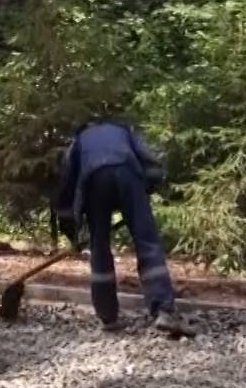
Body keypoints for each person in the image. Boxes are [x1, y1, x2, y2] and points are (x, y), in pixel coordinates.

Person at [52, 117, 195, 338]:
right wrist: (145, 190)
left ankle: (108, 317)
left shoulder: (79, 141)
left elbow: (67, 186)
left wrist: (71, 229)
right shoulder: (124, 130)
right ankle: (164, 310)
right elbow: (152, 163)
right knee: (146, 241)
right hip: (128, 173)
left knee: (99, 247)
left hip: (94, 180)